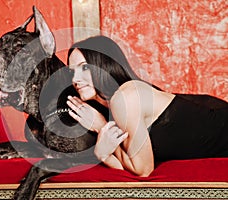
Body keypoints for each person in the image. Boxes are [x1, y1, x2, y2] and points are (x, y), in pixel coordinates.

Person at [65, 35, 228, 177]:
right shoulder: (117, 103)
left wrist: (101, 127)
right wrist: (104, 154)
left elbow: (143, 171)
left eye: (85, 68)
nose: (75, 79)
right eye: (72, 72)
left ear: (104, 65)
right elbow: (133, 167)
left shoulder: (125, 97)